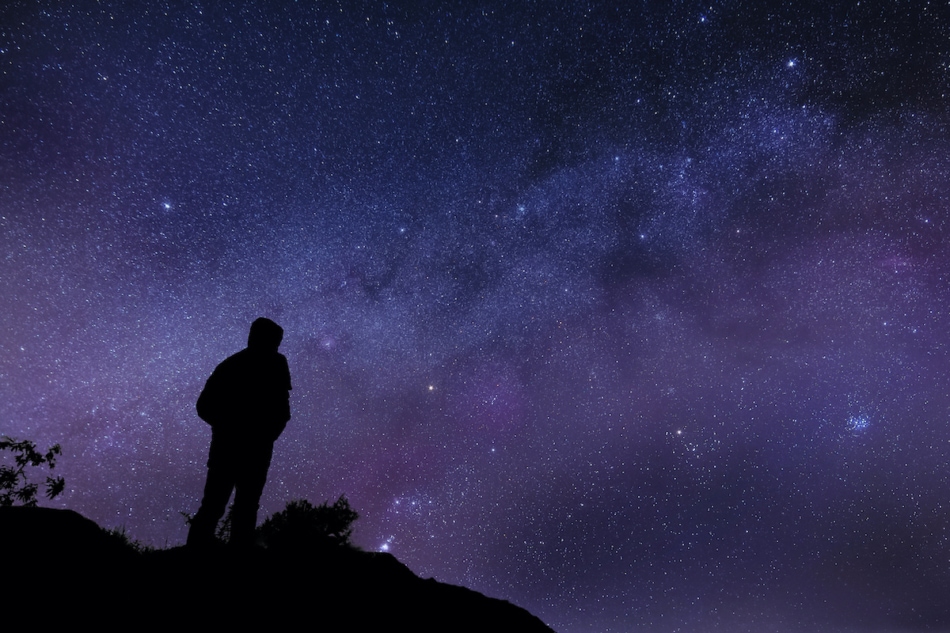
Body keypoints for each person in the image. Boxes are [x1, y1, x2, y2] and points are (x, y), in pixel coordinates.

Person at [187, 317, 291, 547]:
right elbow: (204, 406)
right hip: (235, 447)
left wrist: (266, 435)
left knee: (237, 504)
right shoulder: (236, 366)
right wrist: (232, 428)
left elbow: (283, 410)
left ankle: (227, 556)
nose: (276, 345)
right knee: (221, 504)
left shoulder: (270, 364)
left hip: (249, 447)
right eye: (274, 340)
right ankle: (201, 556)